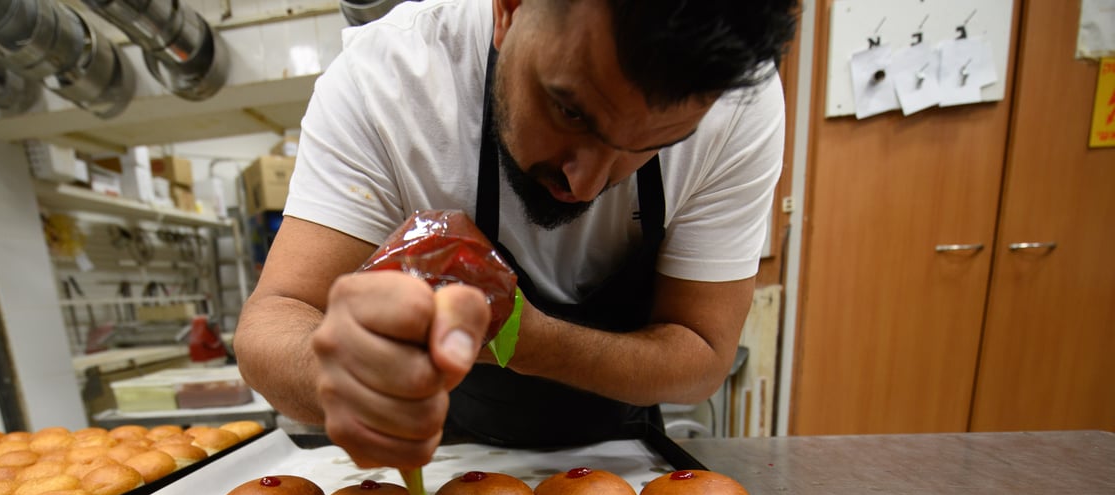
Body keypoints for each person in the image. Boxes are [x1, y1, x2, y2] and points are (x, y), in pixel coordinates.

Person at [236, 0, 798, 468]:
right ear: (509, 8)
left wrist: (525, 340)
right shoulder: (390, 82)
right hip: (447, 465)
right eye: (570, 112)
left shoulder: (738, 105)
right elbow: (274, 318)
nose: (586, 183)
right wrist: (339, 373)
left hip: (627, 462)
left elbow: (701, 356)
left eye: (650, 144)